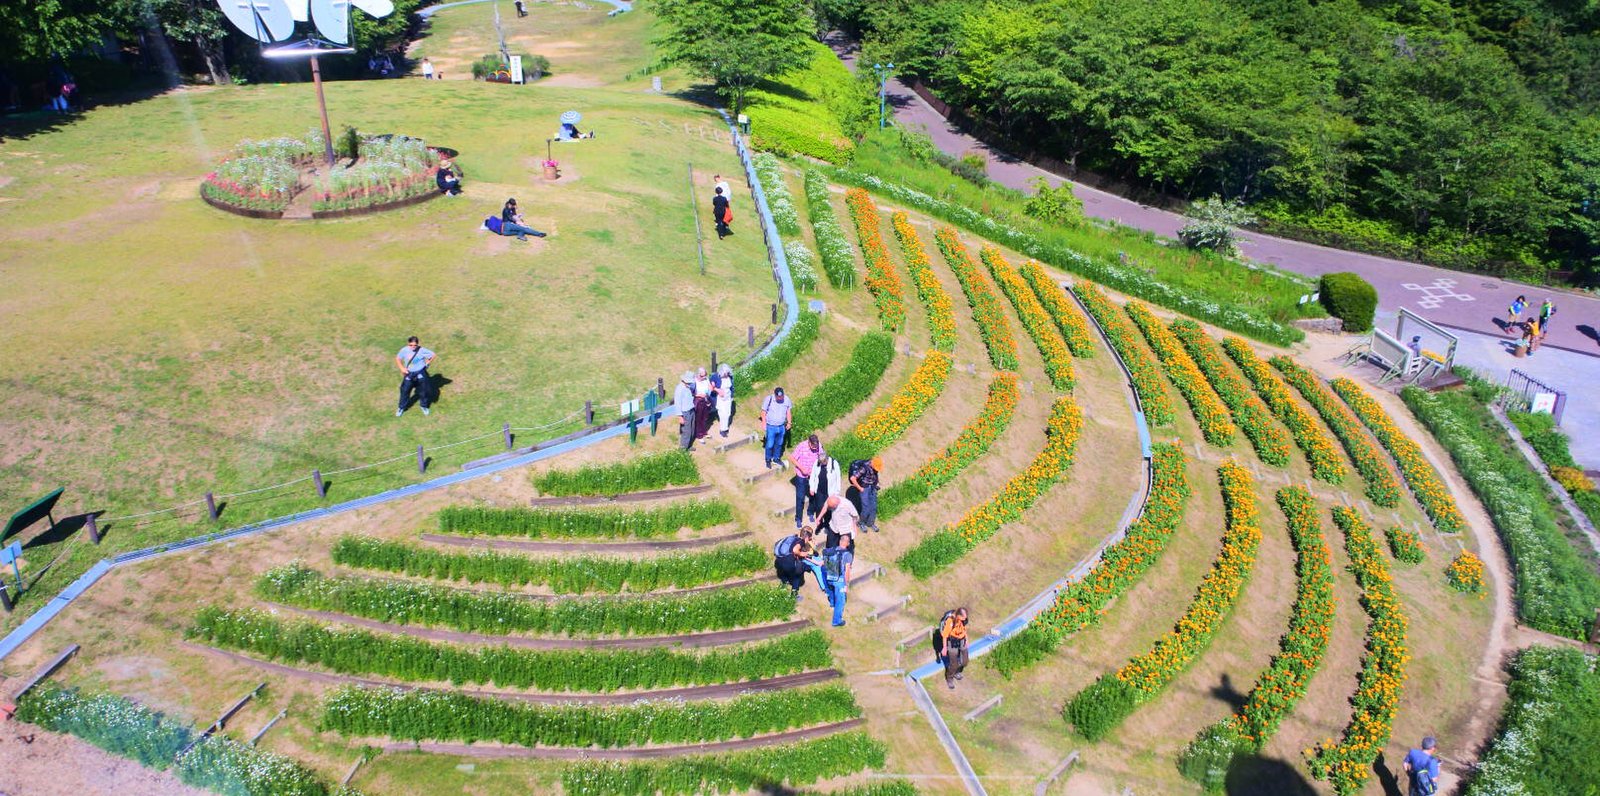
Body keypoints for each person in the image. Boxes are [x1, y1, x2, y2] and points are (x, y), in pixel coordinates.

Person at [789, 435, 824, 529]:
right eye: (813, 447)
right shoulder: (801, 446)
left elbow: (822, 457)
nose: (814, 449)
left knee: (813, 494)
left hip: (813, 476)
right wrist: (802, 468)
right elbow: (792, 458)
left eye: (815, 447)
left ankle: (810, 512)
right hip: (801, 475)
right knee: (800, 498)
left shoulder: (819, 446)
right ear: (809, 442)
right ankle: (798, 518)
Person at [395, 336, 436, 417]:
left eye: (415, 345)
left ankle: (424, 406)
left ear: (418, 344)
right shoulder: (404, 350)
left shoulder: (422, 350)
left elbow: (433, 355)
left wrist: (427, 363)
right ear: (408, 344)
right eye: (411, 345)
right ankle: (401, 408)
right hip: (409, 373)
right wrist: (402, 368)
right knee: (405, 391)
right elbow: (398, 358)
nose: (413, 347)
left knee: (423, 391)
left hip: (420, 373)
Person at [822, 533, 853, 627]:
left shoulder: (831, 550)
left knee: (831, 592)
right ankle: (836, 621)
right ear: (847, 543)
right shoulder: (847, 554)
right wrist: (846, 585)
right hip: (839, 581)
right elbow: (847, 571)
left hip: (829, 577)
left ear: (840, 541)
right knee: (841, 600)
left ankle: (832, 603)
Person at [808, 454, 843, 529]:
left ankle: (827, 524)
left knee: (829, 508)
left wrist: (837, 492)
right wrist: (812, 487)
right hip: (820, 490)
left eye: (822, 463)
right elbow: (813, 475)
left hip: (830, 492)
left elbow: (838, 478)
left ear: (826, 460)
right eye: (820, 462)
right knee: (819, 507)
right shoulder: (817, 462)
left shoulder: (834, 464)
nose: (821, 464)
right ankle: (819, 524)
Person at [848, 457, 882, 532]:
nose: (877, 469)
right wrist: (860, 488)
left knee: (873, 507)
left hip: (872, 487)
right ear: (872, 464)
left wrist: (877, 483)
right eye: (876, 468)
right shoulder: (864, 468)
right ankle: (861, 523)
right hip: (865, 488)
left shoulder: (875, 467)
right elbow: (852, 478)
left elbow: (875, 475)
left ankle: (870, 523)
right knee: (866, 508)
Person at [761, 387, 791, 468]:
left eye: (781, 396)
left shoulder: (787, 399)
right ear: (775, 395)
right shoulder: (769, 399)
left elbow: (788, 411)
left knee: (779, 443)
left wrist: (789, 422)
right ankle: (768, 459)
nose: (780, 398)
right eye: (778, 397)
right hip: (771, 426)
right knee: (770, 444)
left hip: (781, 426)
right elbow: (763, 411)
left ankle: (776, 458)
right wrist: (764, 423)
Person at [939, 608, 970, 689]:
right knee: (954, 664)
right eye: (963, 617)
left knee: (965, 661)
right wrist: (944, 648)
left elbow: (964, 629)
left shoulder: (963, 620)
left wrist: (966, 639)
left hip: (962, 639)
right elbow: (945, 636)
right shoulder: (950, 621)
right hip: (952, 642)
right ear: (959, 615)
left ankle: (957, 671)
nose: (965, 619)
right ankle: (949, 678)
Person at [674, 371, 696, 450]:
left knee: (692, 429)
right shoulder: (679, 389)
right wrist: (680, 416)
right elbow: (677, 403)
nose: (690, 384)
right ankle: (682, 450)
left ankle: (689, 445)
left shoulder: (688, 387)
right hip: (685, 413)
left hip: (691, 410)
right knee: (686, 431)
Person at [712, 363, 735, 437]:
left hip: (728, 398)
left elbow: (732, 387)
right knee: (722, 414)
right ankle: (723, 430)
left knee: (728, 413)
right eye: (725, 372)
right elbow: (711, 385)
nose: (727, 374)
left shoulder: (730, 377)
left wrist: (732, 396)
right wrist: (717, 390)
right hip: (720, 398)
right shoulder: (716, 376)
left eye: (728, 372)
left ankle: (725, 427)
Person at [692, 367, 714, 439]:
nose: (704, 377)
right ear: (698, 375)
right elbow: (690, 393)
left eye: (705, 375)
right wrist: (697, 395)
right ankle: (699, 435)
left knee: (705, 417)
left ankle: (704, 432)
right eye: (702, 376)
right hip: (698, 401)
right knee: (698, 418)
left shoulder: (706, 379)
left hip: (705, 399)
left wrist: (711, 388)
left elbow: (709, 388)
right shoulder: (694, 381)